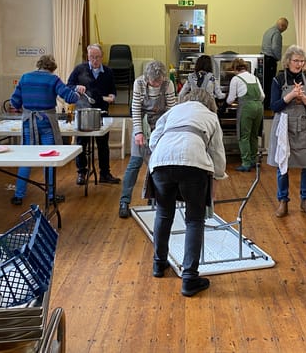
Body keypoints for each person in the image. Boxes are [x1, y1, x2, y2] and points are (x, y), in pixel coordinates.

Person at [148, 87, 227, 297]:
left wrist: (165, 155)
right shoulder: (210, 116)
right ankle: (190, 278)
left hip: (161, 162)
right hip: (193, 164)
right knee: (194, 220)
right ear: (209, 102)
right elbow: (218, 154)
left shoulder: (172, 111)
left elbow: (154, 139)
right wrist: (217, 178)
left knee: (164, 214)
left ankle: (159, 264)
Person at [9, 54, 80, 206]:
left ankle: (18, 195)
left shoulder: (25, 78)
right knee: (49, 158)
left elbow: (14, 102)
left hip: (28, 122)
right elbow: (70, 98)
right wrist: (78, 93)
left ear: (39, 64)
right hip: (47, 122)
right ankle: (50, 195)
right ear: (52, 68)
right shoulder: (53, 79)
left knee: (26, 158)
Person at [118, 61, 176, 218]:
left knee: (157, 166)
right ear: (147, 77)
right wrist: (138, 133)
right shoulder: (139, 83)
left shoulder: (168, 84)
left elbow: (171, 110)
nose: (156, 83)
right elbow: (136, 109)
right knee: (134, 163)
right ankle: (124, 201)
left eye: (159, 81)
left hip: (161, 124)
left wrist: (167, 133)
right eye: (153, 81)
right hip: (141, 123)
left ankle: (154, 200)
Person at [267, 45, 306, 218]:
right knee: (283, 165)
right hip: (284, 125)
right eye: (296, 61)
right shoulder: (278, 79)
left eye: (302, 61)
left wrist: (303, 97)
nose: (299, 64)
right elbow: (274, 106)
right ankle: (283, 201)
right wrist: (290, 96)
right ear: (288, 61)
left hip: (302, 126)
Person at [67, 43, 121, 185]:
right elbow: (68, 86)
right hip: (83, 111)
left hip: (101, 111)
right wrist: (76, 87)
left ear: (102, 57)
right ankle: (81, 172)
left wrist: (112, 97)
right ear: (87, 57)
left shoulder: (108, 72)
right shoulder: (80, 69)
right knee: (81, 144)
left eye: (97, 57)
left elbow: (113, 91)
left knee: (103, 144)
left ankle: (105, 173)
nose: (94, 60)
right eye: (91, 57)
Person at [226, 57, 264, 172]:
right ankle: (253, 160)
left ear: (235, 69)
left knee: (244, 136)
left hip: (247, 108)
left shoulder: (236, 79)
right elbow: (262, 96)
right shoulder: (255, 78)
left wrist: (232, 101)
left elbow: (230, 100)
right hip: (259, 107)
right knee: (253, 135)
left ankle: (246, 163)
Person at [261, 17, 289, 109]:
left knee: (264, 83)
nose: (285, 30)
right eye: (285, 28)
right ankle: (268, 105)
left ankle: (264, 104)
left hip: (263, 59)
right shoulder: (277, 34)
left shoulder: (268, 31)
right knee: (270, 84)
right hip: (270, 61)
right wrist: (279, 58)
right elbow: (275, 48)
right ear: (282, 26)